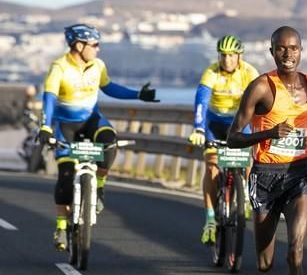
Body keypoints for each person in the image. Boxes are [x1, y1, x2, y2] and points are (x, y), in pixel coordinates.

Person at [227, 26, 307, 275]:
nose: (288, 54)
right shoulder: (261, 88)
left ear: (301, 50)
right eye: (281, 49)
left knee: (296, 252)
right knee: (265, 262)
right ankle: (265, 257)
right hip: (266, 177)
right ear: (272, 52)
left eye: (293, 48)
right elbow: (233, 137)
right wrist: (267, 134)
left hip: (298, 175)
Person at [37, 24, 158, 251]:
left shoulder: (98, 65)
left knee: (110, 141)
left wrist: (138, 95)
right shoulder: (59, 68)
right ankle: (61, 227)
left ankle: (99, 186)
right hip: (66, 125)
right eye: (94, 44)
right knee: (65, 175)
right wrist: (45, 127)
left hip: (92, 120)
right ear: (79, 45)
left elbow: (109, 87)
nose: (98, 49)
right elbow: (49, 99)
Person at [187, 35, 259, 245]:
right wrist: (199, 129)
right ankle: (210, 219)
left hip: (238, 122)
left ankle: (245, 195)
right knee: (212, 168)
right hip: (214, 124)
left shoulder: (249, 72)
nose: (227, 60)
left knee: (248, 158)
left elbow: (260, 98)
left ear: (239, 56)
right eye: (223, 55)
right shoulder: (211, 72)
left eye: (231, 55)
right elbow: (201, 100)